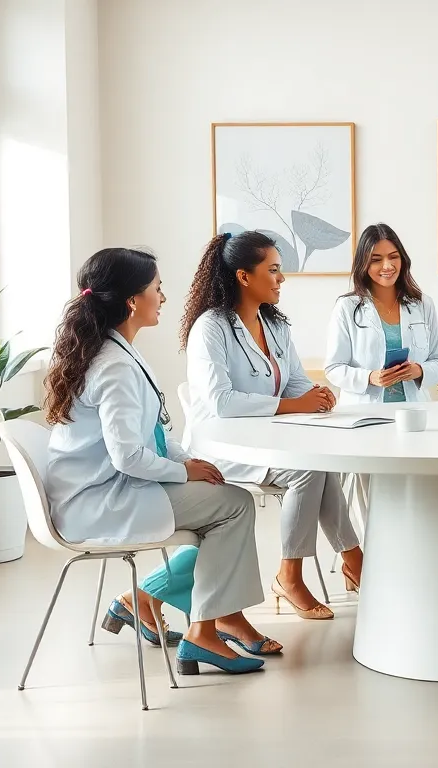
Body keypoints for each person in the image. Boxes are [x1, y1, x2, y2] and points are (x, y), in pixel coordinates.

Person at [43, 247, 273, 675]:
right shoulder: (115, 365)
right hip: (100, 501)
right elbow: (128, 455)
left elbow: (156, 432)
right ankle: (203, 633)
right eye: (157, 288)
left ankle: (152, 600)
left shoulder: (113, 350)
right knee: (235, 507)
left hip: (104, 487)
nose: (163, 297)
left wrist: (190, 460)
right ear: (133, 300)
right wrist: (185, 471)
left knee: (223, 503)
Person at [180, 231, 362, 622]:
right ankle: (293, 574)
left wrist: (317, 393)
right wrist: (295, 404)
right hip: (220, 450)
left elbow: (294, 381)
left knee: (319, 465)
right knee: (307, 469)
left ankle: (353, 559)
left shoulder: (274, 324)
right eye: (274, 270)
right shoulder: (210, 328)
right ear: (244, 277)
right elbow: (221, 402)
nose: (282, 279)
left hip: (268, 442)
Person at [324, 223, 438, 404]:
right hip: (365, 412)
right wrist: (370, 377)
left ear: (403, 260)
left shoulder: (422, 304)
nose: (387, 266)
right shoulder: (347, 307)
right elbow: (333, 368)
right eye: (376, 259)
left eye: (394, 257)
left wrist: (419, 371)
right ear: (364, 263)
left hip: (413, 411)